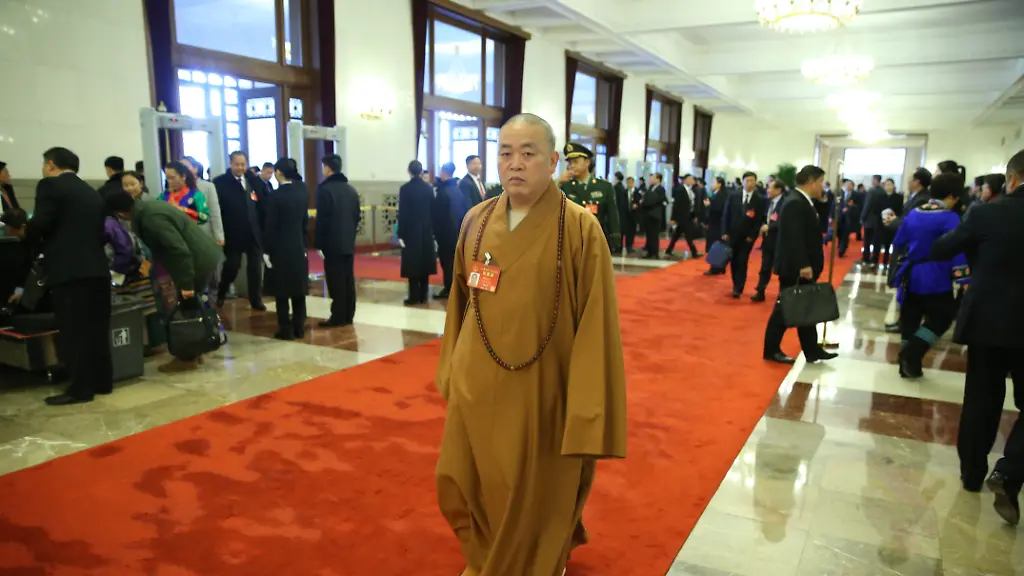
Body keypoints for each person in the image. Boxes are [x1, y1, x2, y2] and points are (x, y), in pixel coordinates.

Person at [434, 113, 626, 576]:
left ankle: (539, 561)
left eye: (528, 153)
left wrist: (585, 406)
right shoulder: (476, 222)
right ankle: (487, 557)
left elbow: (597, 323)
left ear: (554, 160)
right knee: (468, 477)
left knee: (536, 485)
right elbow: (461, 304)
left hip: (544, 389)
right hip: (479, 385)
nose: (514, 164)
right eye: (505, 153)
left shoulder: (580, 229)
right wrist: (454, 372)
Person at [931, 149, 1024, 525]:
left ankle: (971, 474)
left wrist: (979, 255)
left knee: (981, 399)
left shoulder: (986, 212)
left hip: (986, 321)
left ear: (1012, 178)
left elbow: (943, 248)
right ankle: (1010, 470)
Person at [23, 147, 113, 405]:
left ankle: (80, 389)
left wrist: (28, 234)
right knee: (97, 328)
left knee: (75, 331)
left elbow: (41, 223)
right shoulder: (91, 192)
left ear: (51, 165)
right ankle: (102, 382)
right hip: (97, 268)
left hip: (69, 270)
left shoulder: (50, 187)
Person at [106, 190, 221, 371]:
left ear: (120, 213)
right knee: (189, 309)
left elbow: (178, 250)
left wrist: (186, 284)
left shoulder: (151, 218)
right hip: (199, 257)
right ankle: (194, 353)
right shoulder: (149, 207)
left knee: (185, 309)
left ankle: (186, 359)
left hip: (194, 262)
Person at [889, 172, 968, 379]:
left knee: (910, 318)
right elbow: (957, 250)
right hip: (935, 276)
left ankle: (908, 366)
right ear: (952, 196)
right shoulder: (950, 218)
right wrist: (964, 279)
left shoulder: (915, 213)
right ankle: (912, 352)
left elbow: (899, 242)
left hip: (911, 273)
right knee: (942, 317)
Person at [762, 165, 838, 365]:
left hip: (800, 266)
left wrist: (822, 202)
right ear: (812, 181)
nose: (822, 186)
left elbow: (815, 226)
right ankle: (771, 350)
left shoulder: (803, 201)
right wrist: (803, 264)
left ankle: (812, 349)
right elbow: (793, 238)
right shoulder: (795, 202)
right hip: (795, 267)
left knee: (806, 306)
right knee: (785, 309)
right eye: (821, 182)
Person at [262, 158, 309, 340]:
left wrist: (266, 250)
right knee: (298, 290)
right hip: (298, 246)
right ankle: (299, 327)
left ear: (278, 172)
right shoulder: (303, 192)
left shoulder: (275, 196)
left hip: (280, 249)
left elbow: (270, 226)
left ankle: (285, 329)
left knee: (282, 292)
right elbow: (304, 222)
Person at [214, 151, 267, 311]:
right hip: (233, 233)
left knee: (255, 268)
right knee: (232, 266)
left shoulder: (253, 180)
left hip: (253, 232)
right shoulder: (220, 183)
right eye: (237, 164)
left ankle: (256, 299)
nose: (240, 167)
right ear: (230, 164)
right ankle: (221, 292)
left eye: (243, 164)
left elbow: (263, 204)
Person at [314, 154, 361, 327]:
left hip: (332, 243)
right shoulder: (350, 189)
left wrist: (318, 243)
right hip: (348, 241)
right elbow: (357, 216)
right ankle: (349, 314)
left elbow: (323, 219)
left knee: (335, 280)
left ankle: (338, 316)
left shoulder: (325, 189)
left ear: (327, 168)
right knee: (348, 279)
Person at [559, 142, 620, 251]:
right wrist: (558, 182)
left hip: (596, 239)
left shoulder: (604, 187)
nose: (572, 166)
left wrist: (615, 238)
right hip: (571, 242)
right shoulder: (565, 187)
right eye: (570, 163)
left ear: (587, 163)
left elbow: (612, 215)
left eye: (576, 162)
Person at [398, 160, 437, 305]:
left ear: (409, 171)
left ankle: (413, 295)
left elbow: (403, 213)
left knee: (413, 264)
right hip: (426, 230)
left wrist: (401, 234)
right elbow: (433, 211)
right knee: (425, 263)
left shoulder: (405, 189)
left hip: (411, 231)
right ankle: (424, 294)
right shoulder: (428, 188)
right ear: (421, 172)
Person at [721, 171, 765, 297]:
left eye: (753, 181)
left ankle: (738, 287)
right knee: (734, 261)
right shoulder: (734, 195)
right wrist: (724, 231)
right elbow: (726, 214)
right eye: (748, 180)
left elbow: (759, 219)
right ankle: (735, 282)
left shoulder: (759, 199)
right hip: (732, 234)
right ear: (743, 181)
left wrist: (753, 235)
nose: (750, 183)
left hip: (747, 237)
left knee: (742, 261)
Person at [432, 161, 468, 299]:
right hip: (457, 232)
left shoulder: (443, 192)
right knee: (454, 262)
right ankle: (455, 287)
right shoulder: (457, 190)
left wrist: (436, 233)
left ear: (442, 172)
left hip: (446, 234)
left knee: (447, 262)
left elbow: (439, 215)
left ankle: (449, 288)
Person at [752, 180, 786, 302]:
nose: (767, 190)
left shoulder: (785, 203)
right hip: (768, 240)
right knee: (765, 266)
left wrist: (770, 227)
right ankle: (760, 291)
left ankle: (783, 295)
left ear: (778, 190)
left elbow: (784, 222)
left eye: (770, 188)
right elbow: (763, 217)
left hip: (780, 240)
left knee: (780, 269)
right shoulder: (767, 202)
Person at [181, 156, 225, 246]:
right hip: (183, 236)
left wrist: (219, 236)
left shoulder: (207, 186)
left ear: (195, 169)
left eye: (186, 167)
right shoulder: (177, 188)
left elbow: (214, 213)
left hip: (204, 233)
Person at [665, 174, 703, 259]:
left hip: (689, 215)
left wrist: (695, 215)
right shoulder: (680, 190)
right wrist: (673, 218)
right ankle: (694, 252)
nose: (692, 181)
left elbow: (693, 204)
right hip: (682, 216)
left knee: (677, 234)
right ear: (685, 180)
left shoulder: (692, 190)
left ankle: (668, 250)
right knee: (688, 235)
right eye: (690, 179)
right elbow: (676, 205)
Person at [704, 176, 729, 275]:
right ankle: (719, 266)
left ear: (719, 184)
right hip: (713, 223)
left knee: (715, 245)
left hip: (717, 224)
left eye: (714, 182)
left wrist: (709, 205)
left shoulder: (721, 195)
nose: (712, 184)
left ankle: (715, 267)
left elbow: (719, 209)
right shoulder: (716, 194)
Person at [860, 174, 886, 267]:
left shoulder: (871, 191)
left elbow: (867, 205)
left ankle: (866, 258)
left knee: (867, 240)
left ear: (875, 180)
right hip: (879, 220)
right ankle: (875, 259)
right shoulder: (883, 192)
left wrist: (862, 217)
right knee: (876, 241)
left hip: (869, 220)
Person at [641, 172, 667, 259]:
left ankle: (655, 252)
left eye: (653, 178)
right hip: (648, 214)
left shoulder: (661, 189)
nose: (651, 179)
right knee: (649, 234)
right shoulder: (650, 188)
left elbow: (661, 200)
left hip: (655, 215)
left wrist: (648, 202)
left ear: (658, 179)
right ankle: (649, 251)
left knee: (654, 234)